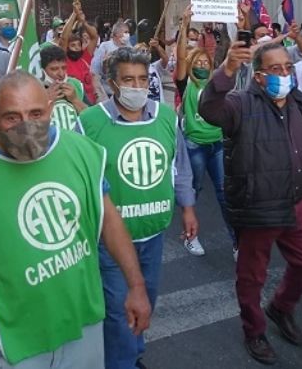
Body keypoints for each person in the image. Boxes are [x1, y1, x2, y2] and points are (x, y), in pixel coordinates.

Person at [0, 71, 151, 369]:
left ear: (51, 109)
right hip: (11, 338)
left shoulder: (82, 151)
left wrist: (136, 286)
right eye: (12, 118)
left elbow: (109, 220)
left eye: (36, 113)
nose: (27, 126)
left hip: (82, 321)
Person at [199, 42, 302, 365]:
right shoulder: (240, 104)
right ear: (257, 76)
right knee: (252, 276)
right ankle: (254, 330)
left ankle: (280, 308)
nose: (284, 74)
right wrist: (226, 71)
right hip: (259, 208)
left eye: (287, 68)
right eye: (275, 69)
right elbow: (209, 109)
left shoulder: (299, 103)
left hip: (296, 204)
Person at [78, 47, 198, 369]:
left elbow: (179, 166)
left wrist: (187, 208)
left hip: (153, 235)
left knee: (145, 301)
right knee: (118, 311)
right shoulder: (89, 123)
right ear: (112, 84)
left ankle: (133, 352)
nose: (137, 86)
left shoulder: (166, 117)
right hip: (112, 244)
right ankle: (122, 361)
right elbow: (78, 179)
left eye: (143, 79)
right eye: (128, 79)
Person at [176, 10, 235, 258]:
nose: (201, 66)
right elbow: (179, 58)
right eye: (197, 63)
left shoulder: (214, 83)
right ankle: (191, 237)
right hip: (194, 145)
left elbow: (230, 58)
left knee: (224, 194)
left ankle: (237, 243)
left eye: (205, 63)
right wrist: (185, 24)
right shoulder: (185, 83)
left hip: (217, 145)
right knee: (194, 191)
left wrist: (238, 25)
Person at [61, 2, 100, 105]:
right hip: (73, 104)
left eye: (78, 45)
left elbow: (94, 37)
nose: (77, 48)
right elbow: (64, 38)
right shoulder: (64, 60)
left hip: (91, 104)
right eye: (73, 45)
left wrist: (83, 21)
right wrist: (74, 14)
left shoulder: (85, 57)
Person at [40, 46, 86, 131]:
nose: (61, 74)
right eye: (54, 69)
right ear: (42, 70)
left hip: (75, 140)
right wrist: (45, 100)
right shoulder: (34, 89)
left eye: (64, 68)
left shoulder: (76, 85)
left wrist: (75, 100)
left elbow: (91, 117)